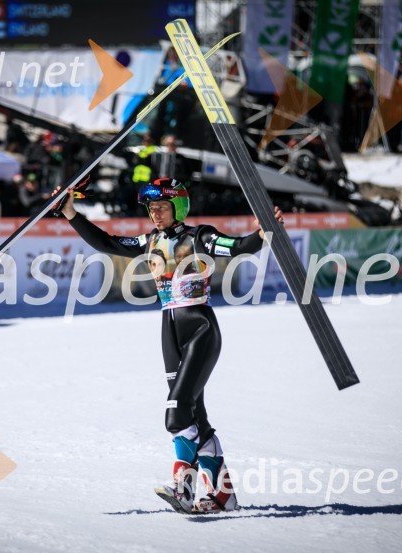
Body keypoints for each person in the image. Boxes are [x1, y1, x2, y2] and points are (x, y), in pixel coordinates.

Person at [56, 177, 284, 514]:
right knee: (197, 420)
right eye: (152, 209)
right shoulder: (149, 241)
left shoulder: (200, 237)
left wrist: (262, 234)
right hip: (169, 330)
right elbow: (107, 243)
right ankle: (223, 496)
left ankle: (182, 486)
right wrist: (71, 213)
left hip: (201, 329)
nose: (156, 214)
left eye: (162, 207)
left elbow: (238, 248)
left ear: (178, 207)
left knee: (176, 415)